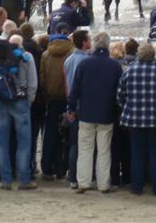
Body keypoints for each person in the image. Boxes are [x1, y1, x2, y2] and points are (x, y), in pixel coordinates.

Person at [117, 42, 156, 196]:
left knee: (137, 153)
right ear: (153, 55)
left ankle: (137, 186)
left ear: (138, 55)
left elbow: (120, 95)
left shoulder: (129, 71)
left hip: (134, 119)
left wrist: (128, 108)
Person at [67, 31, 121, 193]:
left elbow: (75, 89)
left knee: (85, 149)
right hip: (106, 113)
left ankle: (83, 182)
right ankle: (103, 184)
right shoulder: (115, 65)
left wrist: (71, 108)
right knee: (104, 150)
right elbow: (119, 91)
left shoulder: (85, 63)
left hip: (86, 112)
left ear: (95, 45)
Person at [0, 36, 38, 190]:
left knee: (2, 142)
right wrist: (29, 100)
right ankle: (23, 179)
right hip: (21, 101)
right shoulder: (26, 57)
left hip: (2, 101)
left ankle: (5, 180)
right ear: (21, 44)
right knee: (24, 142)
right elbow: (33, 82)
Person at [40, 24, 73, 180]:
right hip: (67, 99)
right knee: (66, 135)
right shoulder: (72, 53)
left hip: (52, 98)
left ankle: (46, 167)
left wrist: (46, 95)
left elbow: (42, 79)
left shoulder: (46, 54)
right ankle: (61, 168)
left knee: (50, 133)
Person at [62, 30, 91, 189]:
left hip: (72, 104)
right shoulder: (87, 60)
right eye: (89, 39)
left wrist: (69, 105)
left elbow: (67, 85)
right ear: (84, 42)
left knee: (74, 143)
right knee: (85, 144)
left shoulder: (69, 60)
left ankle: (72, 176)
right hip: (84, 105)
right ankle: (83, 176)